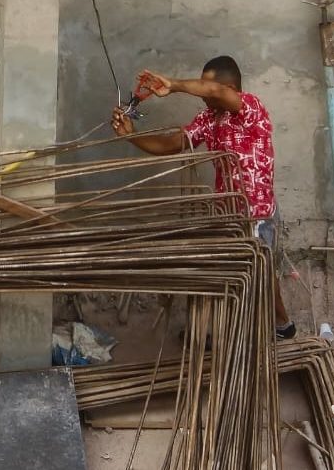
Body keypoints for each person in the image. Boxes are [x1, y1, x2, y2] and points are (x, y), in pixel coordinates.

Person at [111, 55, 296, 339]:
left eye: (207, 87)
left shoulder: (249, 108)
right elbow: (173, 144)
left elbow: (216, 92)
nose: (203, 93)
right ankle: (235, 330)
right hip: (229, 214)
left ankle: (280, 326)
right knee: (241, 272)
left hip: (256, 212)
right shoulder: (209, 119)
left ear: (232, 88)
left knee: (259, 270)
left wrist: (173, 85)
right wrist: (131, 136)